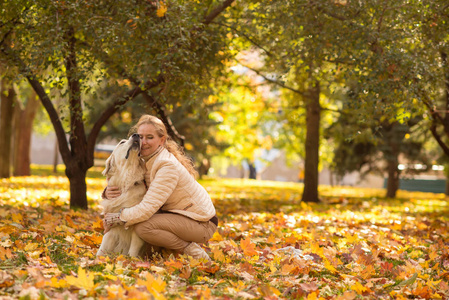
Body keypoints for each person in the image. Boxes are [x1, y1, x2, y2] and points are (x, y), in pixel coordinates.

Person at [102, 115, 217, 260]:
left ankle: (194, 252)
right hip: (180, 216)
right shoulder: (147, 160)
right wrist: (107, 193)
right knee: (147, 236)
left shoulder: (166, 166)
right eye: (141, 137)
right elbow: (130, 183)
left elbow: (147, 208)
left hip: (201, 223)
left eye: (150, 137)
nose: (143, 142)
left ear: (161, 141)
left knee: (143, 228)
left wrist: (117, 217)